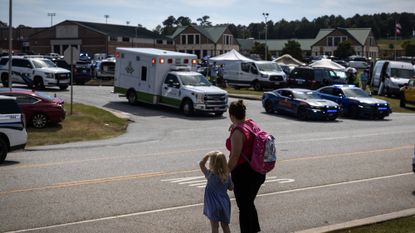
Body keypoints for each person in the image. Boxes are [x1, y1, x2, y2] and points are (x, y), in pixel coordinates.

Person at [226, 100, 266, 233]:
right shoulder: (250, 123)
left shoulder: (238, 132)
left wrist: (225, 172)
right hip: (258, 171)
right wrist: (235, 126)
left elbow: (235, 157)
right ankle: (255, 230)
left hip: (244, 174)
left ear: (231, 115)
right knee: (248, 203)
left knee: (244, 207)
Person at [200, 151, 233, 233]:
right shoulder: (226, 176)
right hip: (224, 203)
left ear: (212, 163)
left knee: (215, 227)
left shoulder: (210, 175)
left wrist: (207, 155)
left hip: (213, 205)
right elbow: (231, 188)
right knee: (225, 226)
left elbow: (201, 164)